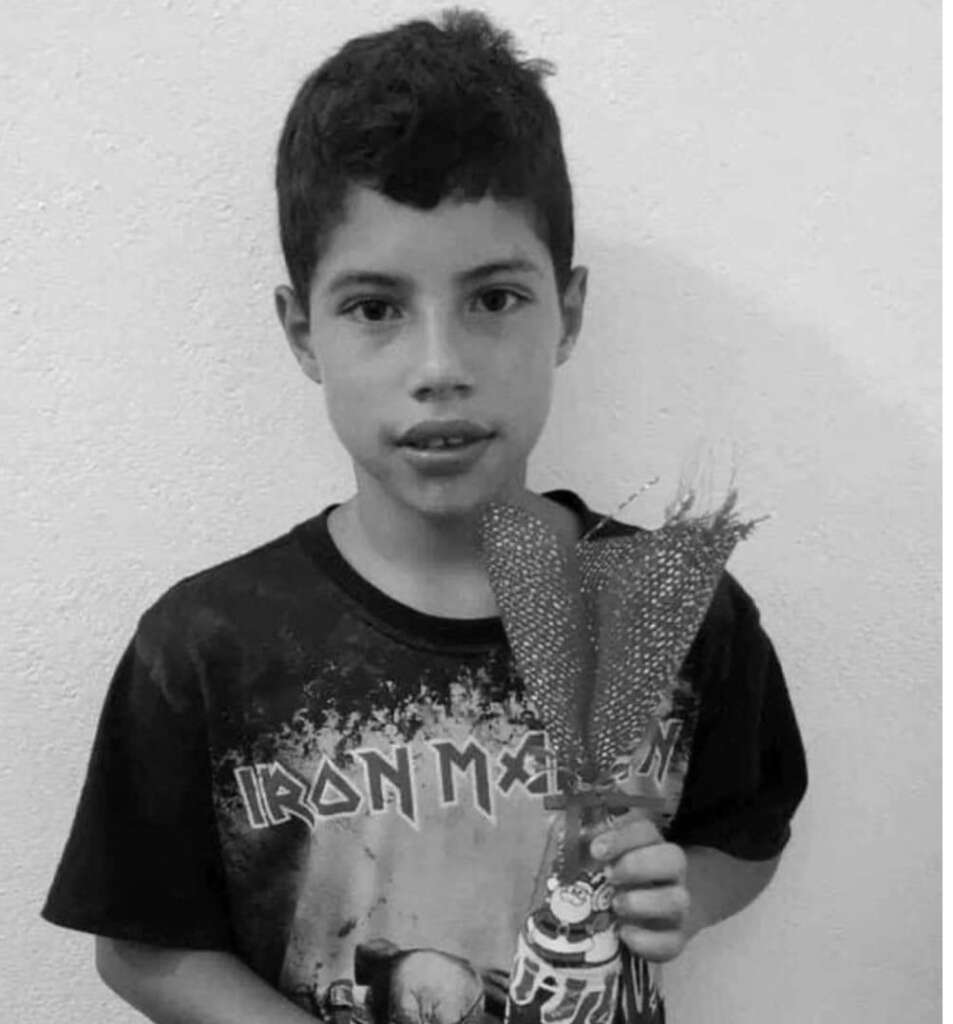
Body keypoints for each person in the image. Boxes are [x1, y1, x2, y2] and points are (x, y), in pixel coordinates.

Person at [41, 8, 807, 1023]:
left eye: (492, 299)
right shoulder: (206, 647)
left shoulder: (675, 607)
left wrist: (689, 894)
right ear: (301, 332)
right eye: (375, 307)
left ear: (568, 311)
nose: (439, 367)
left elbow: (744, 832)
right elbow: (142, 949)